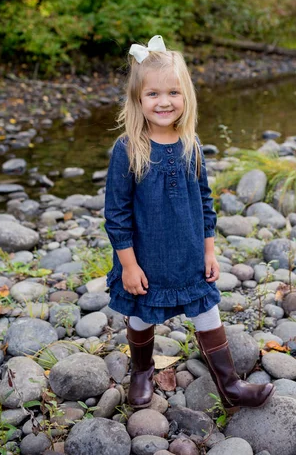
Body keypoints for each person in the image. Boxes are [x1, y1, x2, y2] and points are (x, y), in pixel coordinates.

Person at [104, 35, 274, 412]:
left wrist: (210, 251)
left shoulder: (190, 143)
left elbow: (205, 201)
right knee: (138, 314)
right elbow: (115, 214)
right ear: (137, 100)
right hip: (145, 257)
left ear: (186, 97)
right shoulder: (129, 149)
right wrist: (129, 265)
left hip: (190, 254)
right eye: (153, 95)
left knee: (207, 311)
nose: (164, 102)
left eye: (173, 93)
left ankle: (229, 385)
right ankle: (142, 370)